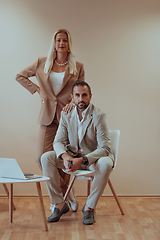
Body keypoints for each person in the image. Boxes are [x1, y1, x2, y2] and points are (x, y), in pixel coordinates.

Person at [16, 29, 85, 212]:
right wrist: (38, 90)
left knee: (66, 158)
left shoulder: (77, 66)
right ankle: (65, 193)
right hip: (47, 116)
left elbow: (80, 92)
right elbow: (20, 76)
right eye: (58, 40)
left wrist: (72, 102)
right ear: (54, 43)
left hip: (67, 118)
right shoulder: (42, 63)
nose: (61, 43)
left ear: (69, 44)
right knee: (41, 157)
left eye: (64, 40)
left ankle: (58, 202)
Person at [41, 80, 114, 225]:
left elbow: (105, 148)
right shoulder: (66, 114)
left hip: (93, 160)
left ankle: (89, 207)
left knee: (106, 163)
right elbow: (58, 142)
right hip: (72, 157)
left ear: (90, 96)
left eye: (84, 95)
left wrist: (84, 160)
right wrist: (66, 156)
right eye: (77, 95)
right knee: (46, 157)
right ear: (72, 97)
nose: (81, 99)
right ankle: (59, 204)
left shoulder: (99, 115)